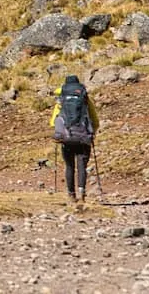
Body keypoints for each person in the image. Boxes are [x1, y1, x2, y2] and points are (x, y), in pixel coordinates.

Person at [50, 74, 100, 203]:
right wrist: (91, 133)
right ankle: (82, 192)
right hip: (83, 137)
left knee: (69, 166)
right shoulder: (85, 99)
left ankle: (71, 195)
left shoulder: (61, 100)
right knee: (82, 165)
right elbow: (95, 120)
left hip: (67, 138)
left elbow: (53, 122)